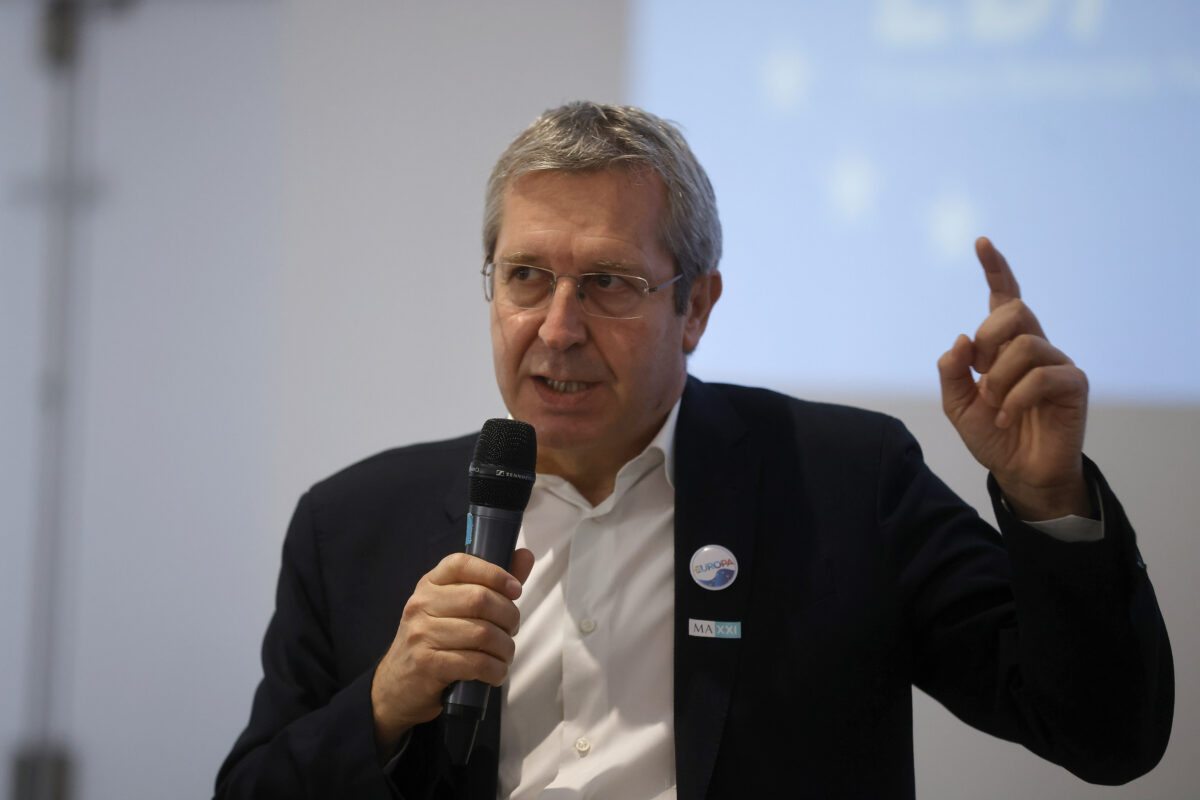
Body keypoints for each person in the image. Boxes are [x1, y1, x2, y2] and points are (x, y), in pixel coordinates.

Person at [214, 102, 1173, 799]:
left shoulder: (846, 484)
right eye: (526, 276)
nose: (557, 328)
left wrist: (1050, 501)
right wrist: (384, 705)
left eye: (609, 283)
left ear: (697, 308)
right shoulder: (351, 526)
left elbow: (1104, 735)